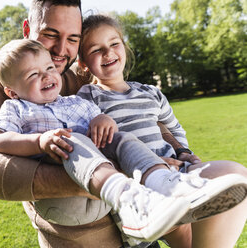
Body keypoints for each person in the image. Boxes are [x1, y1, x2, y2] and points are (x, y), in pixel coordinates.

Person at [0, 0, 247, 247]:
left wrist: (175, 152)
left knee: (235, 176)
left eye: (72, 39)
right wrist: (111, 178)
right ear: (28, 29)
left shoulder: (84, 79)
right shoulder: (4, 86)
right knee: (78, 143)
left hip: (148, 184)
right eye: (50, 34)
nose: (60, 50)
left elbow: (141, 112)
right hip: (83, 225)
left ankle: (168, 190)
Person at [75, 13, 247, 247]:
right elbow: (92, 149)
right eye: (97, 49)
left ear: (124, 46)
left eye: (114, 43)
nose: (108, 53)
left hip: (178, 172)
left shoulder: (150, 92)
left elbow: (174, 129)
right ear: (83, 63)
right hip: (142, 186)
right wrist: (153, 164)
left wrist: (184, 152)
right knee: (182, 223)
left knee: (237, 176)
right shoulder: (88, 97)